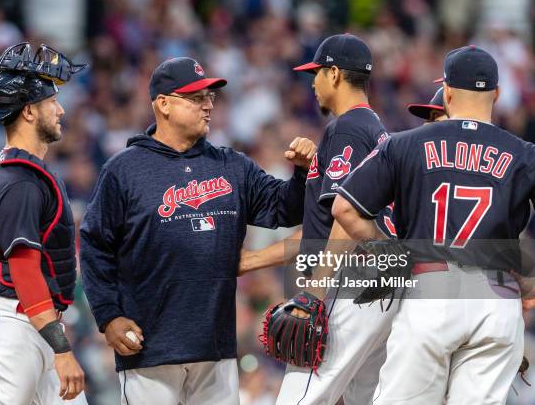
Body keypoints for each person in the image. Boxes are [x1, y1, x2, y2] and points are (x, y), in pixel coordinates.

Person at [79, 56, 316, 405]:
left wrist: (302, 173)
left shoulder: (231, 164)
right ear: (163, 104)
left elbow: (283, 209)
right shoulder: (124, 170)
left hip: (215, 345)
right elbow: (95, 246)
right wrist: (108, 316)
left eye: (210, 97)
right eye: (195, 98)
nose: (207, 105)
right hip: (149, 345)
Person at [333, 46, 528, 404]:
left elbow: (344, 209)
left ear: (448, 92)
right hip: (499, 300)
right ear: (497, 95)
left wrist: (389, 249)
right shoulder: (523, 153)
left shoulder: (405, 144)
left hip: (431, 290)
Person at [263, 33, 397, 405]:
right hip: (378, 285)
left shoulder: (348, 128)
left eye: (318, 72)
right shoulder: (375, 130)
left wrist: (315, 291)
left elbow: (347, 214)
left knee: (298, 397)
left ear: (335, 73)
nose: (313, 82)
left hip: (348, 281)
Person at [0, 42, 88, 404]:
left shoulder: (12, 172)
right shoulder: (18, 180)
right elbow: (23, 269)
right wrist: (62, 350)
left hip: (29, 326)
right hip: (12, 328)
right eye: (52, 103)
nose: (61, 110)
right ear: (29, 111)